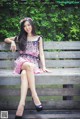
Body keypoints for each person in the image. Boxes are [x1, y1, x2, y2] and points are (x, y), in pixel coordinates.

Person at [4, 17, 50, 119]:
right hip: (22, 62)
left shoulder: (39, 38)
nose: (27, 28)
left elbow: (41, 53)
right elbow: (6, 39)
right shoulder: (21, 37)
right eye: (24, 26)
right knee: (27, 66)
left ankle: (21, 104)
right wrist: (12, 42)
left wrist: (44, 66)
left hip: (33, 63)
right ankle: (35, 96)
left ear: (32, 25)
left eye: (28, 25)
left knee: (25, 73)